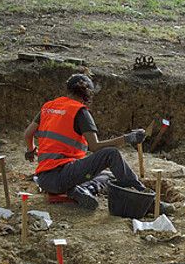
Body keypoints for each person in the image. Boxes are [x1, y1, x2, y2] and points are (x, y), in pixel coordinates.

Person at [22, 73, 149, 210]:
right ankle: (144, 197)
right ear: (88, 92)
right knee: (111, 154)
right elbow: (94, 146)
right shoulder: (79, 111)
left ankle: (81, 190)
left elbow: (28, 134)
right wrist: (128, 138)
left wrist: (31, 150)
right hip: (63, 175)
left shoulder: (48, 107)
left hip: (44, 179)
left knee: (108, 176)